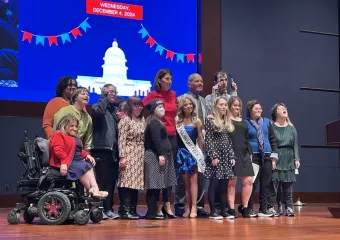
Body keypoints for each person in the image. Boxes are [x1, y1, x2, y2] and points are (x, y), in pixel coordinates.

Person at [142, 69, 177, 218]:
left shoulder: (173, 95)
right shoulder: (152, 96)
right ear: (159, 80)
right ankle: (155, 207)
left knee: (169, 173)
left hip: (172, 136)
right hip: (158, 136)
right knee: (157, 174)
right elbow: (138, 108)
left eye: (171, 78)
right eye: (167, 78)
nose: (169, 81)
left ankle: (167, 204)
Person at [49, 115, 107, 198]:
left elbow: (78, 151)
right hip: (67, 161)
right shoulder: (59, 135)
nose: (75, 128)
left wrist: (87, 155)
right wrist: (64, 162)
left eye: (76, 126)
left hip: (76, 160)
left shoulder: (74, 137)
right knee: (82, 166)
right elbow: (58, 151)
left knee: (88, 164)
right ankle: (94, 191)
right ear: (64, 125)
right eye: (71, 126)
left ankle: (95, 190)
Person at [176, 73, 208, 217]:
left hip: (197, 146)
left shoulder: (203, 101)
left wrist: (201, 151)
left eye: (201, 81)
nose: (200, 83)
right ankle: (183, 205)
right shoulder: (181, 98)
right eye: (197, 81)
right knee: (183, 182)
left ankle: (197, 206)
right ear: (189, 83)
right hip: (183, 148)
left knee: (198, 179)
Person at [242, 99, 278, 217]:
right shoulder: (245, 123)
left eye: (260, 108)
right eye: (256, 108)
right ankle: (249, 208)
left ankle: (263, 209)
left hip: (267, 155)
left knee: (266, 183)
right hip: (254, 156)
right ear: (250, 110)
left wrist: (274, 156)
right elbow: (244, 140)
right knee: (252, 183)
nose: (259, 110)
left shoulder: (267, 122)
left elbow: (273, 139)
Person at [91, 84, 120, 219]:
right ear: (103, 93)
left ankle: (108, 209)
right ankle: (99, 210)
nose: (113, 94)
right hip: (101, 149)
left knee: (110, 182)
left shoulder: (114, 110)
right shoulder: (97, 107)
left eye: (115, 92)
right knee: (101, 181)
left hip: (112, 151)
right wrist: (103, 97)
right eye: (110, 92)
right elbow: (99, 113)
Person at [204, 96, 235, 220]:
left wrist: (232, 156)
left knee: (224, 185)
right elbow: (209, 140)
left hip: (226, 157)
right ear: (216, 106)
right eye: (221, 104)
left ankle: (223, 210)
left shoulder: (226, 122)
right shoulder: (211, 121)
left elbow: (229, 141)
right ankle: (213, 211)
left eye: (225, 105)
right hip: (216, 157)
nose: (224, 107)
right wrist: (213, 156)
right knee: (214, 184)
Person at [268, 103, 300, 217]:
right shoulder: (271, 127)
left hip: (289, 157)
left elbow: (295, 145)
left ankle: (289, 207)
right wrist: (273, 158)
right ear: (276, 113)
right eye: (281, 108)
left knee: (288, 186)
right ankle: (276, 206)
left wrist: (297, 158)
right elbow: (272, 144)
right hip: (277, 157)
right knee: (275, 185)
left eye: (285, 108)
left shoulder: (291, 128)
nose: (284, 109)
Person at [117, 96, 145, 219]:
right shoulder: (125, 120)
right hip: (128, 153)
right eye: (135, 105)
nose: (138, 107)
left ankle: (133, 210)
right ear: (130, 106)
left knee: (136, 183)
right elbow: (121, 140)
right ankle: (124, 210)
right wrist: (122, 157)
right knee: (126, 182)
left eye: (140, 105)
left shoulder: (142, 120)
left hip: (140, 154)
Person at [227, 96, 254, 218]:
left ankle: (245, 207)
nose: (237, 107)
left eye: (238, 105)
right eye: (234, 105)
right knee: (231, 182)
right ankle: (231, 209)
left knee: (248, 180)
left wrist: (250, 153)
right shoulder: (226, 120)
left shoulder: (243, 120)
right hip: (232, 153)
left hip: (244, 153)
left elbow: (246, 138)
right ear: (229, 106)